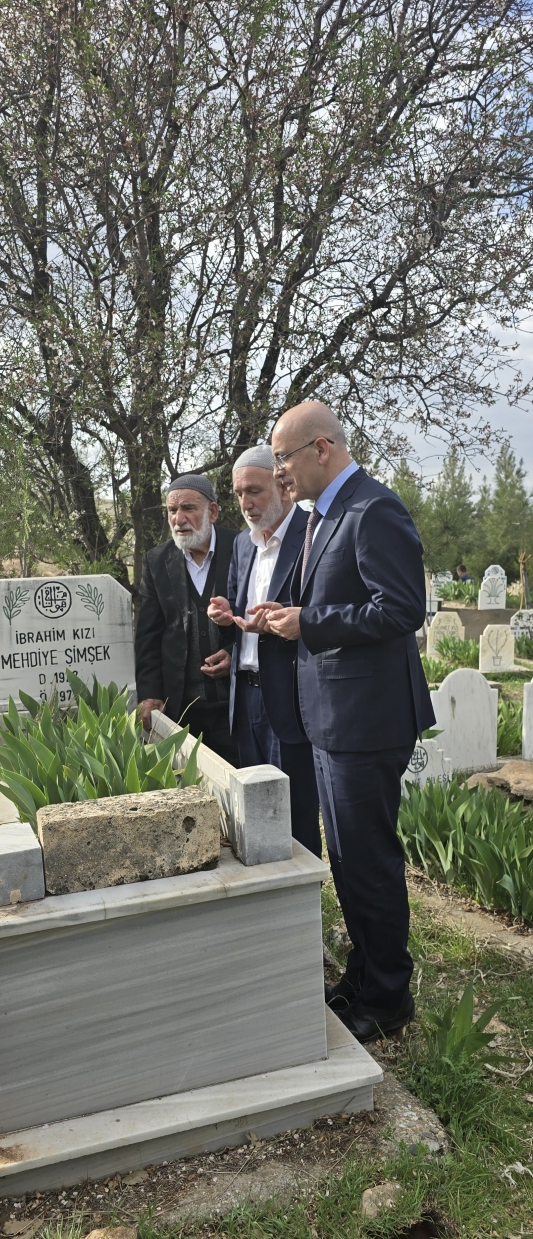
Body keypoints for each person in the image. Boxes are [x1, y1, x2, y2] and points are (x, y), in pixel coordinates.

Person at [250, 401, 435, 1043]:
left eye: (283, 457)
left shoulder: (372, 509)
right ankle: (363, 973)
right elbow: (325, 601)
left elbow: (402, 609)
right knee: (348, 860)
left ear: (321, 449)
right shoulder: (322, 516)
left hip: (368, 720)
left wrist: (310, 622)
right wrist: (275, 617)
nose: (279, 471)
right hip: (332, 719)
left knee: (368, 859)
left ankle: (388, 997)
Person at [208, 445, 322, 857]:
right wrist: (226, 616)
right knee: (256, 812)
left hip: (291, 697)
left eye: (254, 491)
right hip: (245, 696)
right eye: (239, 494)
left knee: (296, 814)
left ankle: (305, 893)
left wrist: (282, 622)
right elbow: (240, 609)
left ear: (283, 485)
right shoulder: (243, 543)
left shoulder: (314, 532)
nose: (245, 503)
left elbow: (321, 613)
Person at [135, 474, 239, 763]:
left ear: (212, 512)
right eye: (172, 510)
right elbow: (148, 635)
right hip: (182, 708)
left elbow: (259, 613)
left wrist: (235, 654)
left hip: (239, 705)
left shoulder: (242, 547)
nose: (178, 519)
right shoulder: (157, 561)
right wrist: (150, 694)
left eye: (188, 508)